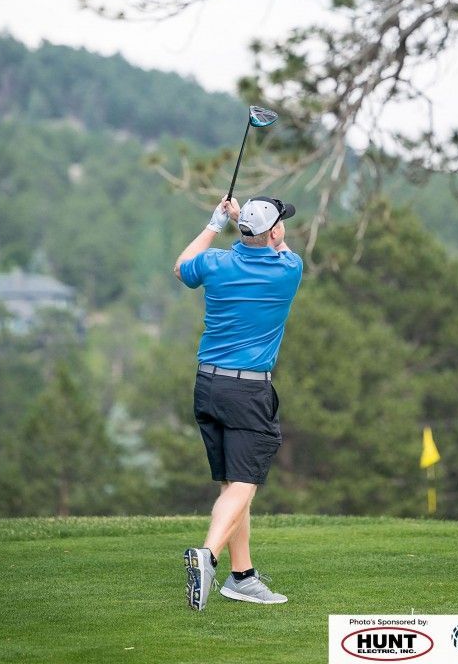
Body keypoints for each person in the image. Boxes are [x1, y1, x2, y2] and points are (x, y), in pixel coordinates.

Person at [174, 194, 303, 611]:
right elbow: (278, 245)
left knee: (233, 483)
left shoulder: (215, 264)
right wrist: (247, 223)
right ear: (276, 230)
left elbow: (181, 267)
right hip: (248, 392)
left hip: (208, 385)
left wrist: (216, 222)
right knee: (245, 483)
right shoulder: (288, 270)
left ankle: (242, 577)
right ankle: (208, 556)